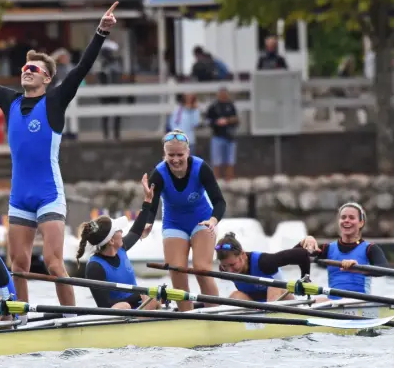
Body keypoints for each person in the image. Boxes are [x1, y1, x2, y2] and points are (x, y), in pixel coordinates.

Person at [0, 2, 118, 311]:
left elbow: (81, 68)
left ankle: (71, 318)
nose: (26, 71)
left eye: (34, 69)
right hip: (20, 197)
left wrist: (101, 33)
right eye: (25, 68)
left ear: (47, 79)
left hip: (49, 194)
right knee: (19, 265)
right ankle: (22, 319)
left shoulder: (55, 101)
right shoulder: (9, 101)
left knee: (53, 263)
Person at [143, 130, 226, 312]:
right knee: (176, 270)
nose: (175, 160)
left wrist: (213, 220)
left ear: (188, 152)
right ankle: (187, 315)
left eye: (180, 155)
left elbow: (219, 201)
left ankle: (216, 312)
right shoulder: (158, 174)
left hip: (202, 221)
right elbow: (151, 207)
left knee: (201, 269)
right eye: (171, 155)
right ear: (165, 154)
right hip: (174, 223)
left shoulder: (201, 168)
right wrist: (147, 223)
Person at [76, 174, 158, 310]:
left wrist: (147, 200)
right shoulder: (95, 267)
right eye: (118, 230)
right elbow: (104, 305)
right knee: (124, 306)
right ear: (111, 240)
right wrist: (137, 296)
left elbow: (136, 231)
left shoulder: (121, 249)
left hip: (137, 308)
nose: (122, 231)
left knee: (154, 297)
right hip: (118, 314)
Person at [299, 202, 390, 300]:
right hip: (333, 303)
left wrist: (358, 269)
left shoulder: (370, 248)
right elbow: (294, 255)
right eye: (343, 217)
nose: (346, 220)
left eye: (351, 218)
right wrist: (306, 240)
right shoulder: (327, 248)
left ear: (361, 223)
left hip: (359, 302)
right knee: (316, 300)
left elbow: (384, 269)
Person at [213, 232, 311, 302]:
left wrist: (304, 280)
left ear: (243, 255)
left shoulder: (264, 262)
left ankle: (270, 319)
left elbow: (302, 254)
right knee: (235, 296)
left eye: (232, 265)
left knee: (273, 286)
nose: (229, 271)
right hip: (257, 309)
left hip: (282, 300)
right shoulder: (224, 270)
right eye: (224, 266)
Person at [205, 88, 239, 181]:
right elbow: (208, 120)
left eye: (225, 94)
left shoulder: (231, 106)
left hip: (230, 137)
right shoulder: (213, 107)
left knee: (230, 160)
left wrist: (227, 120)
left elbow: (236, 119)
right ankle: (216, 180)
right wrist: (216, 122)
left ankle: (229, 179)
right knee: (216, 160)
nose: (223, 96)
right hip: (217, 136)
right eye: (221, 94)